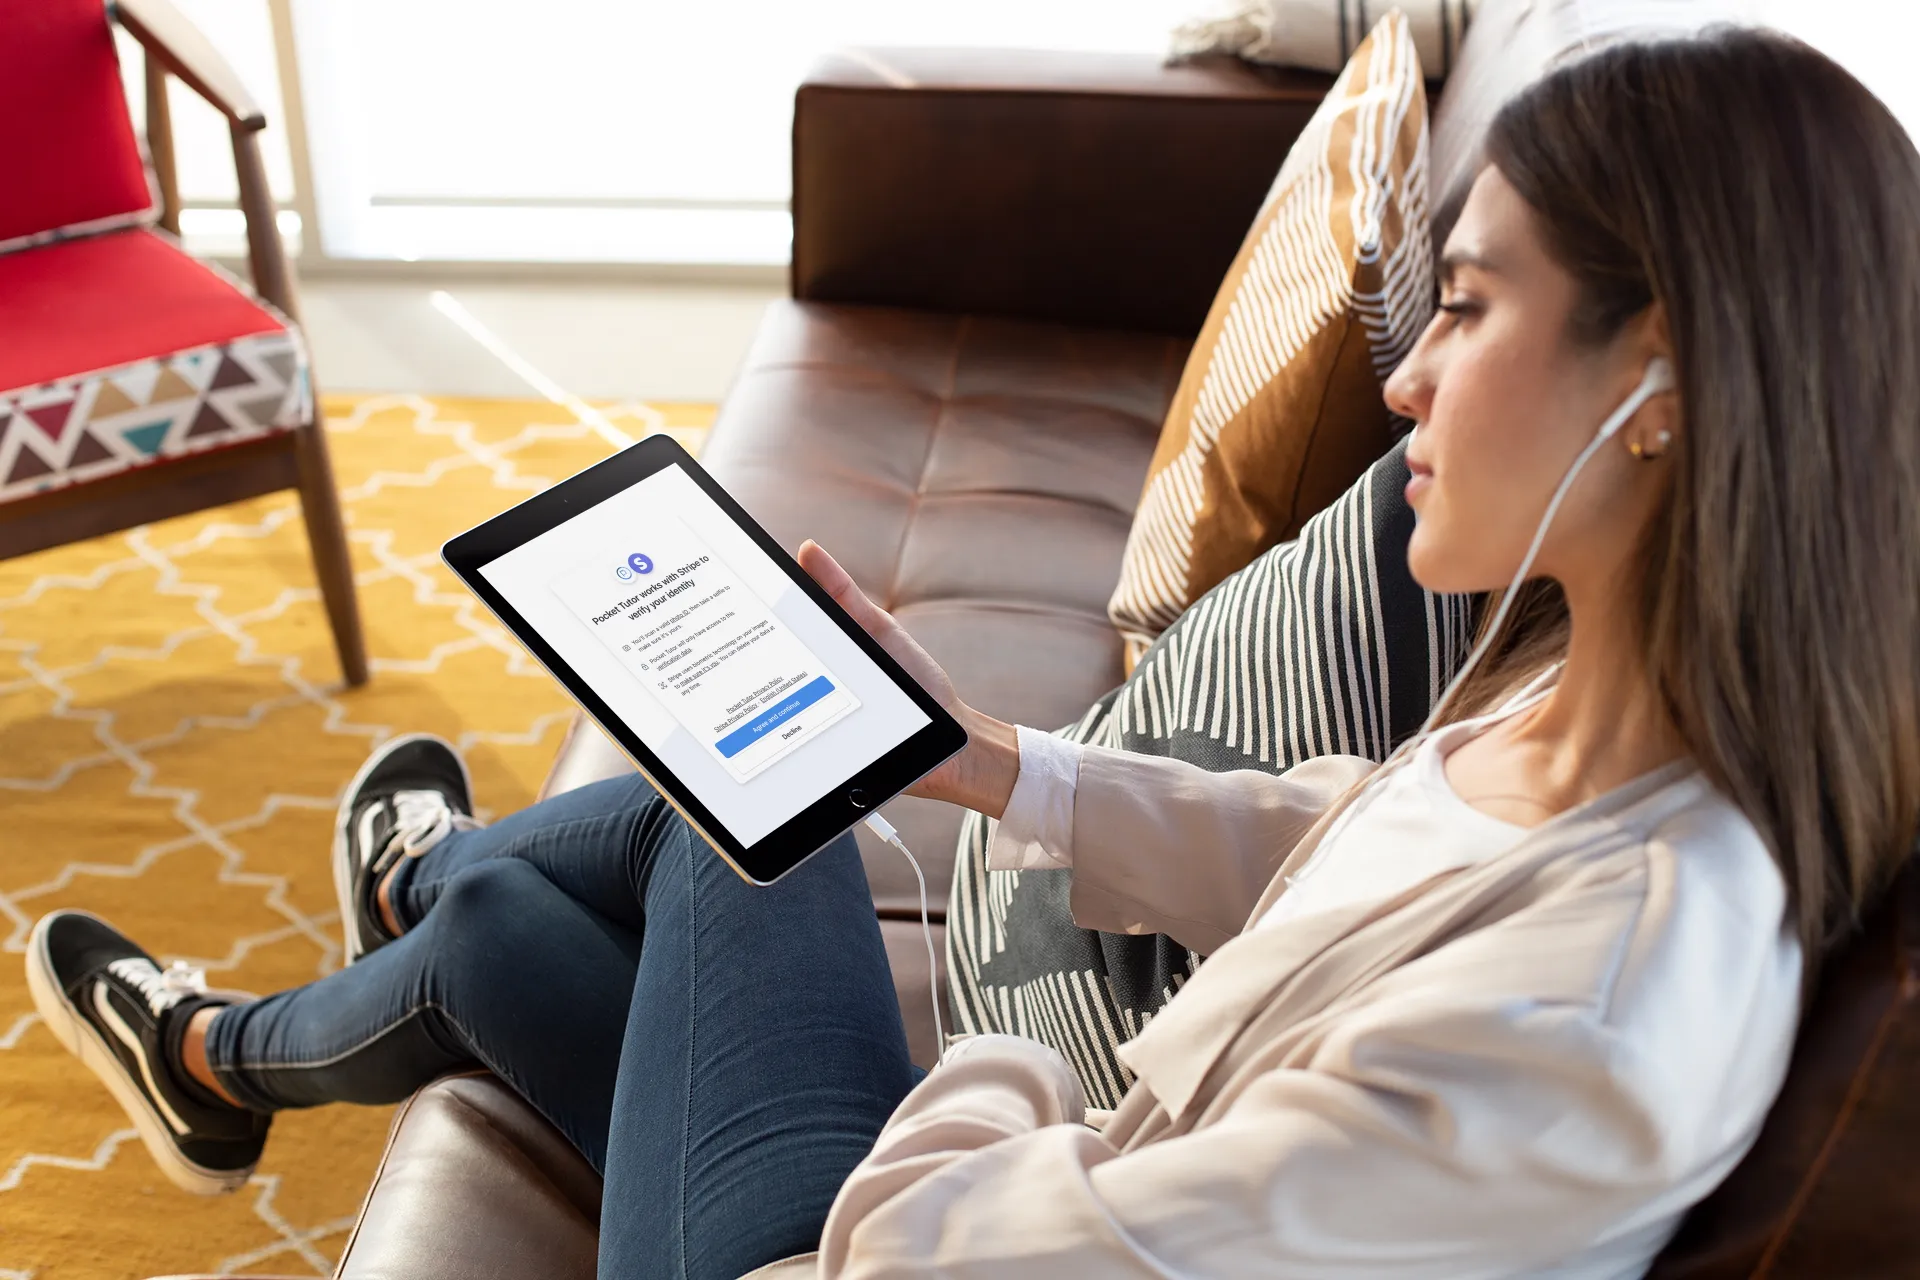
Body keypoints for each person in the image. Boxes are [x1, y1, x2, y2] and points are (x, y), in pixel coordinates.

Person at [28, 27, 1920, 1278]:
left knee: (745, 805)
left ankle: (290, 996)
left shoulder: (1578, 1045)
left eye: (1476, 305)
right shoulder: (1614, 709)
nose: (1409, 370)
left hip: (906, 1248)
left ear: (1662, 380)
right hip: (1001, 1199)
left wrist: (1007, 1046)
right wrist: (996, 759)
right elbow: (1354, 849)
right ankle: (267, 1022)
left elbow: (951, 1249)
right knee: (540, 925)